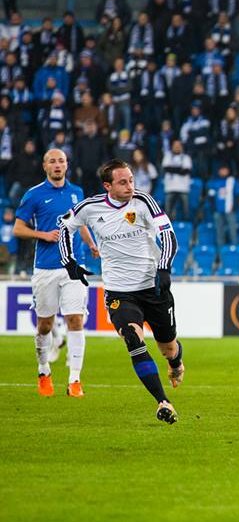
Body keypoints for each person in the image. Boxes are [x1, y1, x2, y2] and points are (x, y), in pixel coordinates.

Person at [58, 159, 184, 424]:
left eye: (131, 180)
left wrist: (164, 269)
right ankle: (163, 402)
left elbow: (170, 236)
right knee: (133, 339)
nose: (130, 186)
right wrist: (68, 261)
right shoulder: (89, 208)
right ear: (108, 186)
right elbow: (64, 228)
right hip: (119, 292)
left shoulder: (144, 202)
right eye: (123, 182)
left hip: (153, 287)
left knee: (167, 347)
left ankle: (175, 364)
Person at [13, 149, 97, 397]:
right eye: (53, 161)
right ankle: (43, 370)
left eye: (61, 161)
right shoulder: (34, 195)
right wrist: (43, 235)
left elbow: (79, 223)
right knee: (45, 326)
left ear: (67, 165)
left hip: (73, 267)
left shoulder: (77, 192)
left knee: (75, 319)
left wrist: (91, 243)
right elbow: (18, 228)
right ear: (45, 166)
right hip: (46, 268)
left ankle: (75, 380)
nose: (57, 165)